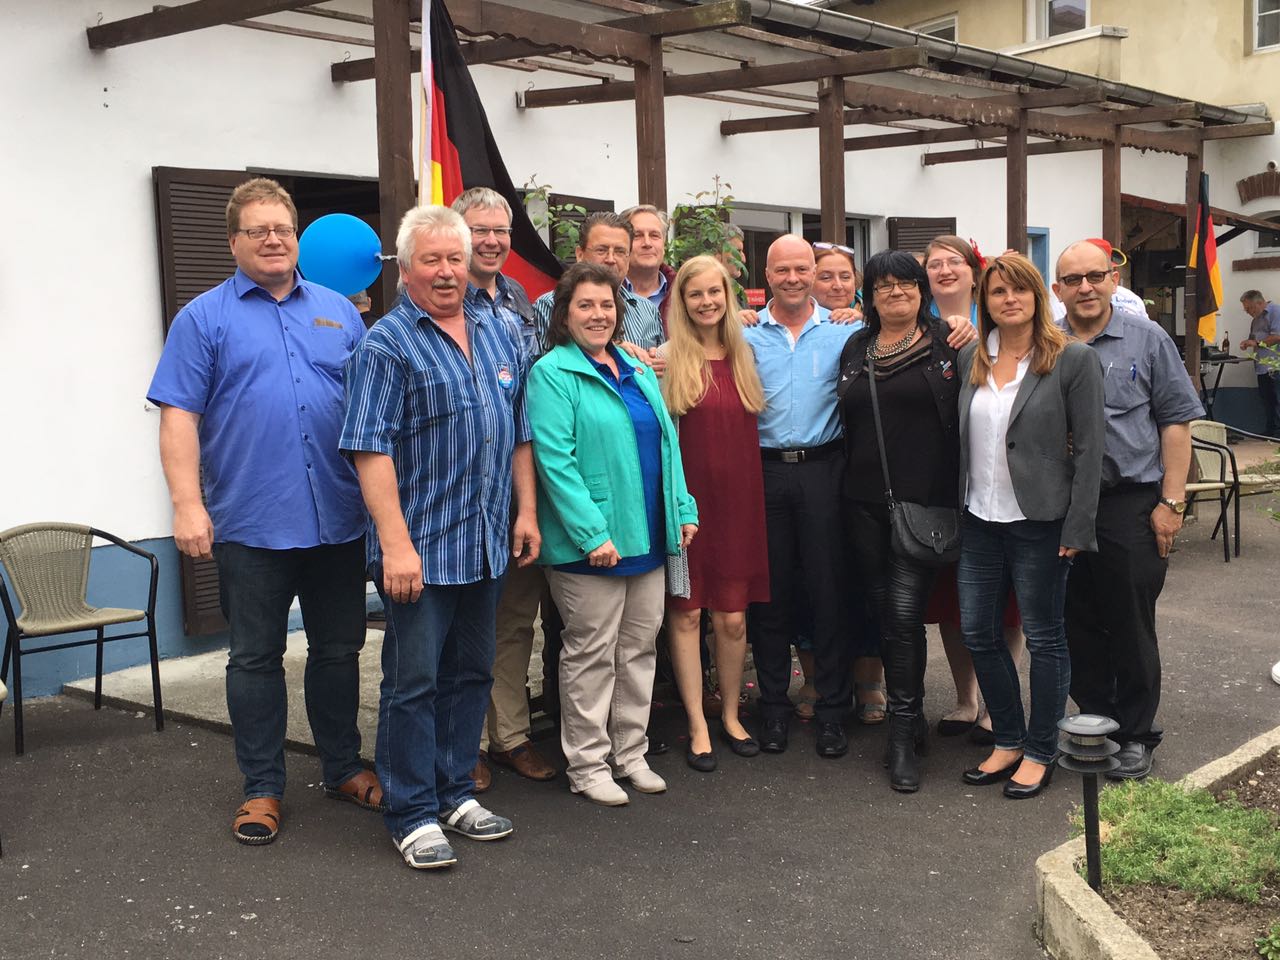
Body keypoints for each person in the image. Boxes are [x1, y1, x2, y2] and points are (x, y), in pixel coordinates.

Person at [147, 177, 379, 846]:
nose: (274, 239)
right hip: (251, 522)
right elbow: (178, 416)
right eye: (259, 230)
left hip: (338, 517)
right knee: (254, 659)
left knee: (338, 650)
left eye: (283, 229)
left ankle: (342, 767)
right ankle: (262, 787)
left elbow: (370, 411)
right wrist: (187, 505)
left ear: (297, 237)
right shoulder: (202, 319)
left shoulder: (341, 312)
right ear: (234, 242)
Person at [340, 204, 539, 870]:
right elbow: (369, 450)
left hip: (485, 541)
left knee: (471, 673)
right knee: (413, 684)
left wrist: (526, 512)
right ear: (406, 268)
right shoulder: (386, 345)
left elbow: (519, 431)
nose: (448, 271)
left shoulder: (499, 329)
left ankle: (455, 792)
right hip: (420, 551)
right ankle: (411, 811)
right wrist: (395, 545)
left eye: (456, 258)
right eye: (432, 260)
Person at [527, 262, 698, 806]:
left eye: (606, 305)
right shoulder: (552, 373)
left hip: (647, 534)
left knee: (639, 650)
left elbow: (667, 443)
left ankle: (631, 754)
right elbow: (554, 462)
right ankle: (587, 764)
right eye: (586, 305)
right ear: (564, 314)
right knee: (591, 654)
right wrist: (590, 533)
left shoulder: (636, 366)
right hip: (591, 547)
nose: (598, 314)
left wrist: (682, 507)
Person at [955, 254, 1104, 800]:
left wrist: (1078, 526)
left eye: (1019, 289)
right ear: (986, 301)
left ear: (1039, 296)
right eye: (998, 292)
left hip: (1041, 522)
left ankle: (1041, 750)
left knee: (1043, 637)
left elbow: (1091, 451)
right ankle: (1008, 739)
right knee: (978, 632)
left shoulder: (1072, 358)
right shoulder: (972, 357)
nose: (1009, 299)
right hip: (979, 518)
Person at [1054, 240, 1204, 782]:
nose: (1086, 288)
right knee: (1075, 620)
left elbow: (1175, 422)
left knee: (1130, 622)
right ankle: (1097, 721)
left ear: (1113, 280)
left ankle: (1138, 733)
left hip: (1130, 503)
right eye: (1073, 280)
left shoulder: (1148, 338)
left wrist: (1172, 501)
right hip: (1064, 506)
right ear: (1058, 290)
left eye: (1095, 276)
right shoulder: (1047, 343)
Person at [836, 250, 964, 793]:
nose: (896, 292)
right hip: (862, 503)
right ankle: (908, 722)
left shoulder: (949, 343)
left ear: (921, 291)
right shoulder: (856, 346)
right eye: (884, 284)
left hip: (925, 504)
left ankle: (903, 731)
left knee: (906, 613)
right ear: (870, 294)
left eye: (906, 283)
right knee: (885, 613)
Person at [451, 187, 556, 791]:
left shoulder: (518, 298)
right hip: (460, 494)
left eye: (501, 230)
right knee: (461, 627)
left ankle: (509, 736)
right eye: (480, 230)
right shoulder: (439, 297)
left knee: (514, 620)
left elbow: (526, 398)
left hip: (518, 486)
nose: (492, 241)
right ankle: (460, 744)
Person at [659, 256, 768, 771]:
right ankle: (697, 723)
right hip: (689, 509)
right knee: (685, 614)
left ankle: (730, 714)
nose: (706, 302)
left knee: (732, 617)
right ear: (681, 302)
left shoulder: (748, 354)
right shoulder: (666, 360)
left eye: (714, 292)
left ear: (728, 295)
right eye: (694, 294)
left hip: (740, 505)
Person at [922, 235, 1026, 745]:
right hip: (941, 484)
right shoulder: (915, 323)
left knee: (1005, 605)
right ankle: (966, 699)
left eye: (953, 263)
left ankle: (995, 704)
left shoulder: (995, 324)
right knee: (953, 603)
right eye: (934, 264)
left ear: (973, 271)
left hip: (997, 481)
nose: (944, 271)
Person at [809, 242, 883, 724]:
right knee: (813, 577)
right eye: (826, 276)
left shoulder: (871, 327)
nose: (836, 285)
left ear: (857, 282)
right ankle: (817, 680)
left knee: (865, 576)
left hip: (869, 468)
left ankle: (870, 681)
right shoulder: (784, 326)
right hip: (820, 465)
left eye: (844, 276)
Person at [532, 211, 665, 367]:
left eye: (620, 251)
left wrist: (656, 366)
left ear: (628, 258)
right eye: (601, 250)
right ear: (580, 255)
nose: (611, 259)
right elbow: (551, 369)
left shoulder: (648, 310)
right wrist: (613, 351)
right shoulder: (550, 305)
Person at [621, 204, 676, 323]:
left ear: (664, 245)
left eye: (654, 235)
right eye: (637, 236)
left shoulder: (682, 291)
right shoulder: (609, 292)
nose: (647, 243)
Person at [1239, 289, 1280, 437]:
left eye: (1249, 308)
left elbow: (1277, 336)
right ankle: (1271, 431)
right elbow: (1254, 339)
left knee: (1277, 399)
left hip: (1275, 365)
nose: (1248, 312)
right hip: (1262, 367)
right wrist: (1247, 343)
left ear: (1260, 302)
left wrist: (1256, 342)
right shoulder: (1255, 320)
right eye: (1246, 309)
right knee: (1267, 400)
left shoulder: (1275, 312)